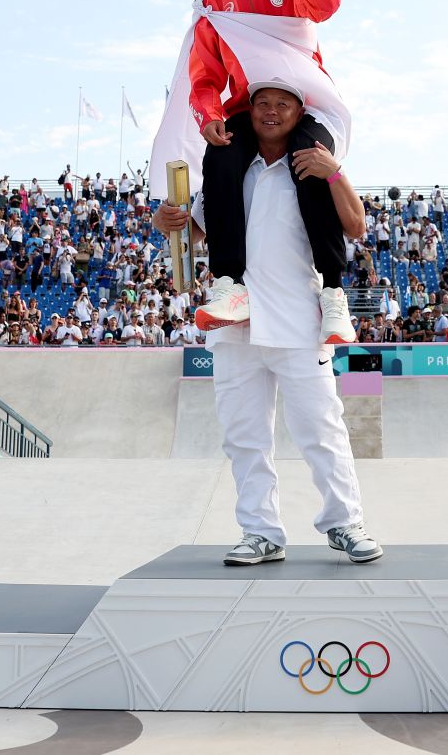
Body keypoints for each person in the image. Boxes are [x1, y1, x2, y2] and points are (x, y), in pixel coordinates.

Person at [152, 80, 381, 567]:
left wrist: (336, 172)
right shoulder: (229, 170)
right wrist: (166, 221)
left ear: (300, 112)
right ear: (249, 110)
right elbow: (191, 233)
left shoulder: (314, 165)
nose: (271, 112)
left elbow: (357, 227)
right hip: (235, 325)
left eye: (283, 104)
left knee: (321, 430)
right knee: (244, 436)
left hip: (299, 322)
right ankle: (260, 532)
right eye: (262, 104)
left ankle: (344, 523)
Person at [185, 0, 354, 345]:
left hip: (305, 102)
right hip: (248, 108)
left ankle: (334, 291)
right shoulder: (212, 8)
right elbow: (204, 77)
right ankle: (229, 284)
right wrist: (210, 115)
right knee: (219, 161)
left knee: (311, 161)